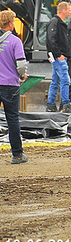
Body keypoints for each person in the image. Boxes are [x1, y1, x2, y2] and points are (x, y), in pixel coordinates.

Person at [0, 10, 29, 164]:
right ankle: (17, 154)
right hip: (10, 85)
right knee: (12, 120)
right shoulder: (15, 41)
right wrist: (22, 75)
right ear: (11, 24)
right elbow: (21, 64)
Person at [46, 1, 71, 112]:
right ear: (64, 11)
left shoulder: (59, 23)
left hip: (57, 57)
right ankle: (66, 104)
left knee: (55, 81)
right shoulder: (55, 22)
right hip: (58, 58)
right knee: (65, 80)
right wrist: (58, 54)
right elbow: (51, 40)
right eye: (69, 10)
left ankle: (51, 104)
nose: (70, 12)